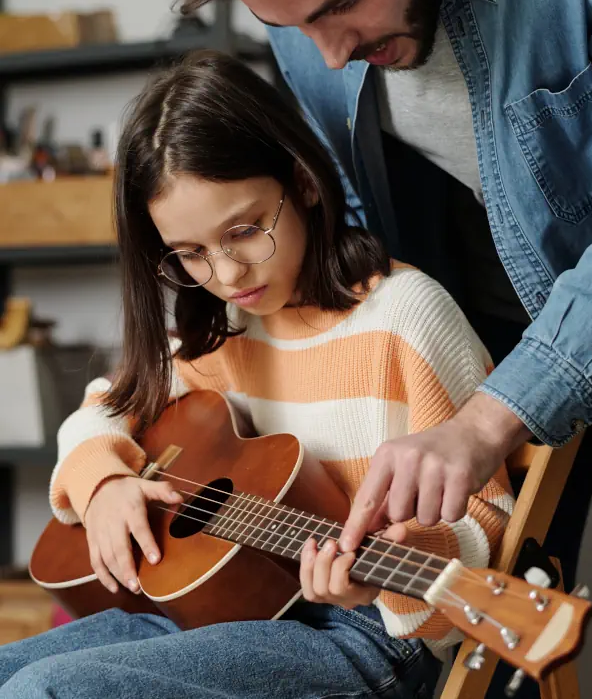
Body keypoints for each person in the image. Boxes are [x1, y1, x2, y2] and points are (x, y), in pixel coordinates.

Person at [155, 0, 592, 697]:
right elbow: (352, 207)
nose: (330, 53)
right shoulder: (311, 17)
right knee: (500, 656)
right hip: (497, 313)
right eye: (291, 26)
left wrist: (489, 420)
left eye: (345, 2)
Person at [0, 51, 515, 699]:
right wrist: (102, 483)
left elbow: (489, 518)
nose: (227, 274)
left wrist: (390, 563)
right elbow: (106, 405)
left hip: (360, 635)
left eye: (243, 231)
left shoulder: (405, 316)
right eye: (190, 254)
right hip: (210, 613)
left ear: (301, 181)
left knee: (44, 692)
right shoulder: (217, 328)